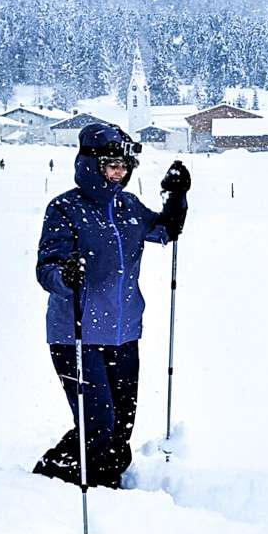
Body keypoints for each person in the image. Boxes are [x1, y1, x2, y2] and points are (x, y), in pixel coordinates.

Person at [32, 123, 191, 488]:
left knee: (121, 423)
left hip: (123, 333)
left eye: (124, 166)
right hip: (76, 335)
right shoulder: (65, 209)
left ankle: (107, 478)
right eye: (111, 166)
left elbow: (165, 230)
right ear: (91, 165)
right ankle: (53, 478)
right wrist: (66, 275)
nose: (119, 173)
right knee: (98, 423)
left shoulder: (129, 207)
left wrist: (177, 197)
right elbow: (47, 270)